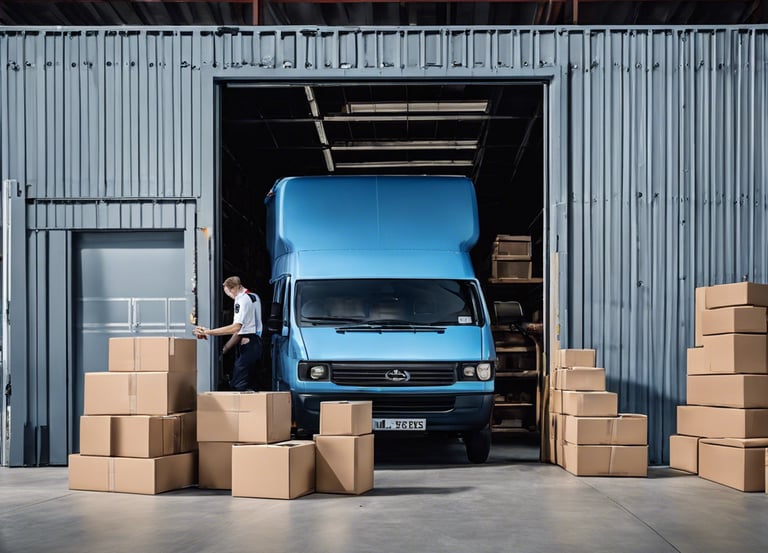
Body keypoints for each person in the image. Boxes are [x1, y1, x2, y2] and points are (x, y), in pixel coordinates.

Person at [194, 276, 263, 391]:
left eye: (227, 292)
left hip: (250, 343)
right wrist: (224, 349)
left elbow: (236, 328)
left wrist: (208, 332)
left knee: (239, 384)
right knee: (248, 382)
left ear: (232, 289)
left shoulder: (241, 300)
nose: (228, 296)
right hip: (254, 343)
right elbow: (241, 331)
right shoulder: (252, 297)